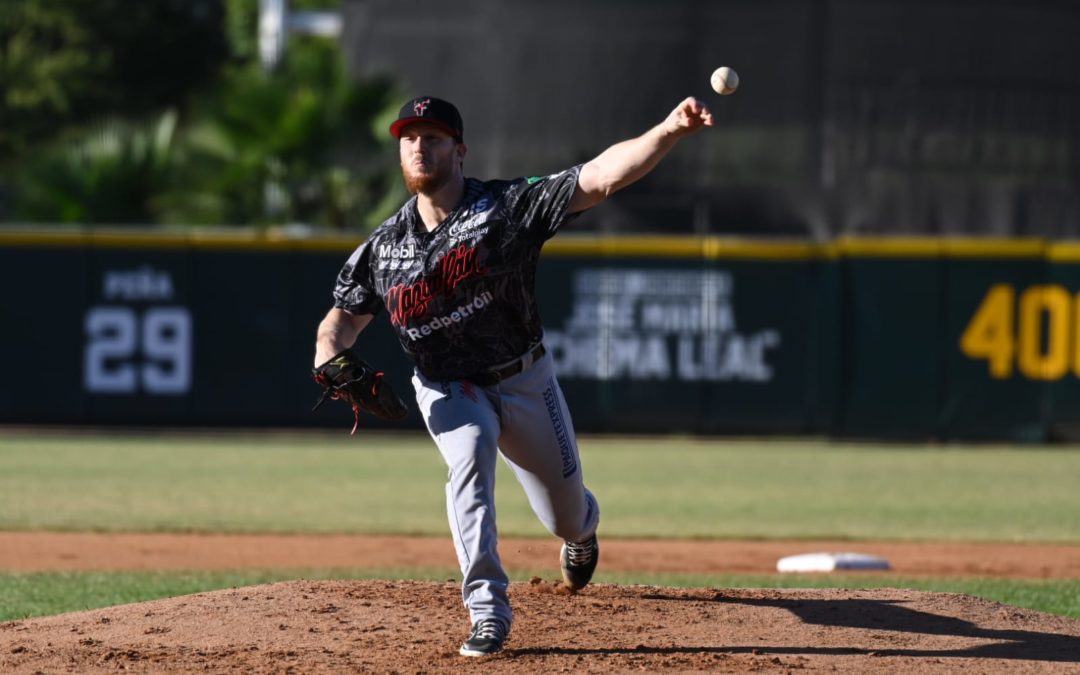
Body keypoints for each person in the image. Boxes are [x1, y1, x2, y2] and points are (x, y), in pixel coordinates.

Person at [313, 94, 713, 657]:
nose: (419, 147)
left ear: (460, 150)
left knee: (566, 516)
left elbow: (598, 178)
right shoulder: (383, 248)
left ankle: (583, 530)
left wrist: (669, 129)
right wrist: (326, 352)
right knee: (470, 456)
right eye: (409, 138)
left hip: (524, 379)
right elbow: (341, 319)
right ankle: (487, 610)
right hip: (449, 386)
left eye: (433, 137)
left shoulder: (506, 207)